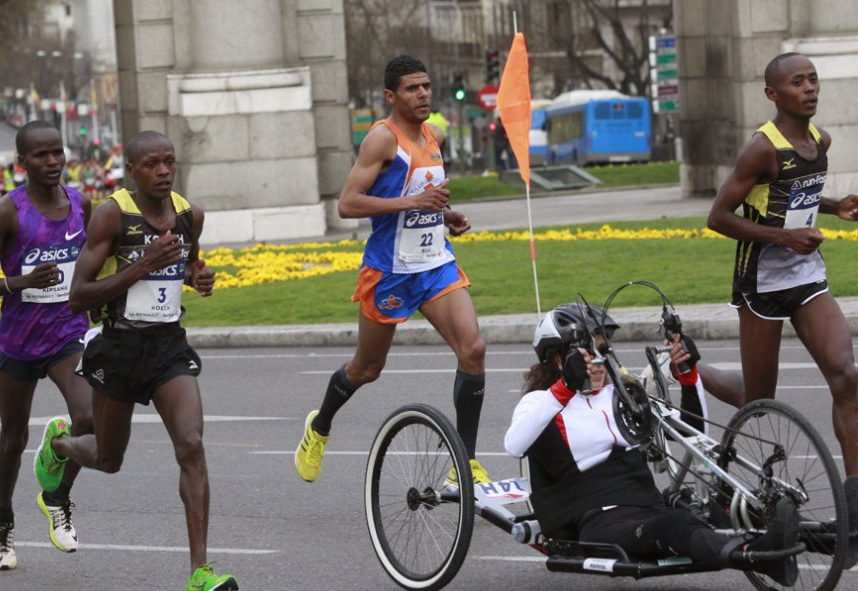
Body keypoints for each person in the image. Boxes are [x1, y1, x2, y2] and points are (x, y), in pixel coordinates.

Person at [39, 130, 238, 591]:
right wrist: (143, 265)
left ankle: (200, 572)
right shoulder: (112, 216)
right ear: (132, 171)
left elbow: (185, 266)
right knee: (109, 459)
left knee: (191, 446)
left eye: (169, 162)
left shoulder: (189, 216)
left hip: (168, 348)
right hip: (119, 348)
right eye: (153, 164)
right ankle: (61, 445)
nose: (164, 171)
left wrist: (197, 276)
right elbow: (78, 296)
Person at [505, 304, 802, 586]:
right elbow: (515, 444)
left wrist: (689, 376)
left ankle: (835, 535)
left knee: (715, 506)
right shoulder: (540, 402)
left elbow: (693, 431)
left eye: (603, 351)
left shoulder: (619, 395)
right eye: (585, 353)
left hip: (650, 506)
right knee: (675, 524)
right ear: (557, 358)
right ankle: (759, 555)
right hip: (603, 521)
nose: (597, 362)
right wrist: (565, 388)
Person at [294, 55, 488, 485]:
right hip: (390, 272)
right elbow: (348, 204)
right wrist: (412, 205)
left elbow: (423, 194)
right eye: (412, 89)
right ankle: (320, 426)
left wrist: (445, 215)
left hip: (435, 264)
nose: (422, 95)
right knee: (366, 368)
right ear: (391, 96)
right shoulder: (381, 140)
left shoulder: (432, 135)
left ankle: (465, 465)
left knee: (472, 349)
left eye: (426, 87)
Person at [705, 51, 858, 531]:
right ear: (774, 94)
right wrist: (784, 238)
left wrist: (835, 207)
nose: (810, 88)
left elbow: (793, 198)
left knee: (848, 379)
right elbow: (718, 217)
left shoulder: (820, 140)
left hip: (807, 277)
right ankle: (687, 368)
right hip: (762, 285)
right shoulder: (761, 149)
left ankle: (853, 506)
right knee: (758, 398)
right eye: (798, 82)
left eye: (813, 80)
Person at [0, 121, 94, 571]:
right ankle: (3, 521)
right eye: (41, 155)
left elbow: (94, 264)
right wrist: (20, 281)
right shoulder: (8, 212)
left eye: (58, 152)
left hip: (67, 335)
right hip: (20, 342)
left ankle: (56, 496)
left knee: (89, 419)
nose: (53, 161)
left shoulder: (81, 203)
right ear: (22, 162)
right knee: (11, 439)